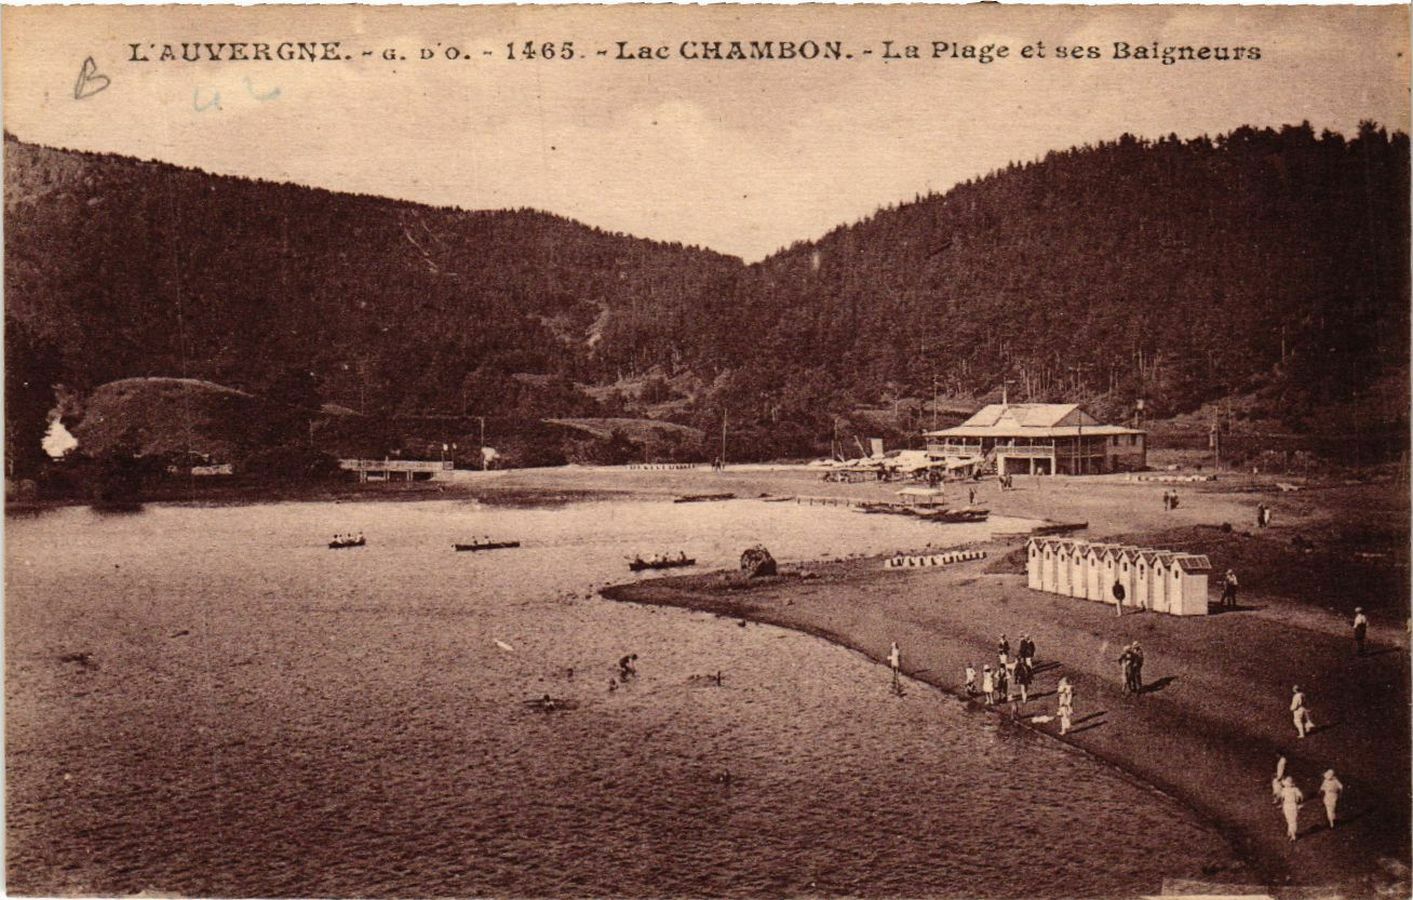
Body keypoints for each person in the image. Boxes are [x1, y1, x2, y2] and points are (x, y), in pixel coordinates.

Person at [1279, 775, 1304, 841]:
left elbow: (1282, 799)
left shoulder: (1284, 790)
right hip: (1292, 805)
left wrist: (1282, 807)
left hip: (1288, 806)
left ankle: (1293, 834)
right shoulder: (1295, 789)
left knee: (1290, 820)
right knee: (1292, 820)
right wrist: (1299, 803)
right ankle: (1291, 832)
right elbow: (1301, 797)